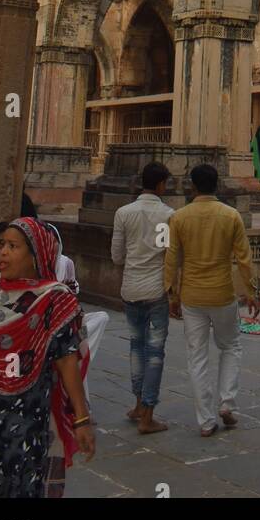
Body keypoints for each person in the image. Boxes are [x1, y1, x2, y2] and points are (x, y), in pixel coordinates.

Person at [0, 217, 94, 499]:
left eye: (13, 246)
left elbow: (66, 361)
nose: (2, 252)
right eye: (1, 245)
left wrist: (81, 419)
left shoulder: (54, 300)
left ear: (36, 255)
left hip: (25, 417)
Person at [164, 163, 259, 437]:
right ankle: (227, 402)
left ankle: (206, 420)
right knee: (230, 346)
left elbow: (172, 259)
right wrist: (251, 291)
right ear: (217, 185)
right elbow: (244, 258)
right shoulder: (230, 216)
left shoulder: (179, 217)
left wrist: (172, 293)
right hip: (222, 292)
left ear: (193, 186)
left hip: (192, 295)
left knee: (197, 356)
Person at [111, 161, 173, 435]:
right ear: (161, 185)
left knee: (137, 347)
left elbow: (116, 256)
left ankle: (138, 404)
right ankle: (148, 414)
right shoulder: (169, 214)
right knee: (155, 353)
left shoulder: (123, 213)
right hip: (156, 289)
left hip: (131, 287)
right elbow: (170, 256)